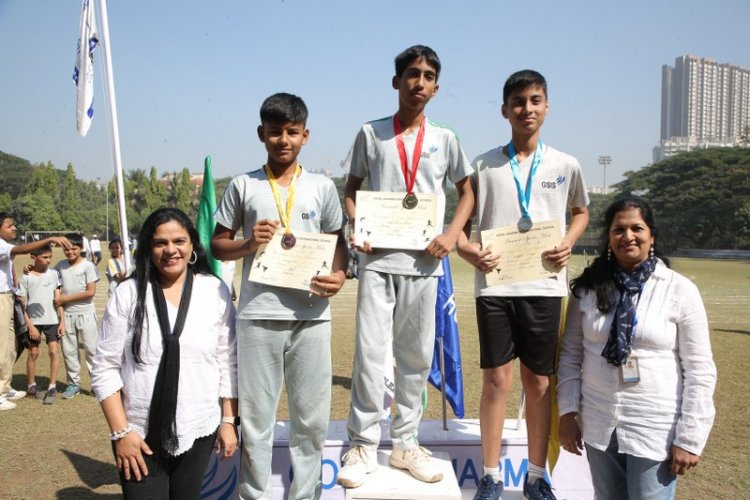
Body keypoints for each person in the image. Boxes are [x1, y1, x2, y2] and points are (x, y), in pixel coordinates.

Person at [337, 45, 475, 488]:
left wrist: (451, 235)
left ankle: (405, 442)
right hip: (377, 261)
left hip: (424, 263)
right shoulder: (371, 133)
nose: (420, 82)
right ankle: (362, 443)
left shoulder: (445, 138)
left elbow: (467, 192)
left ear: (436, 87)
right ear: (396, 81)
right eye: (412, 74)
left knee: (415, 357)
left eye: (428, 76)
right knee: (370, 355)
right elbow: (351, 188)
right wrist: (357, 226)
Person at [456, 70, 589, 500]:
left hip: (544, 287)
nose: (526, 109)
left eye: (534, 101)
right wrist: (468, 251)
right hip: (495, 287)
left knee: (539, 383)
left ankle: (536, 476)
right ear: (504, 110)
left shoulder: (566, 164)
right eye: (518, 102)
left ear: (546, 107)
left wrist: (568, 241)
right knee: (497, 380)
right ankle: (490, 475)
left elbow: (581, 212)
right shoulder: (482, 165)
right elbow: (460, 229)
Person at [211, 92, 347, 499]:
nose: (283, 140)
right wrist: (248, 243)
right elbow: (217, 245)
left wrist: (340, 274)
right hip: (258, 315)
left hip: (312, 316)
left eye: (291, 132)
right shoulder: (243, 185)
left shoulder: (322, 186)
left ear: (305, 135)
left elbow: (337, 241)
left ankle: (306, 495)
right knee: (256, 422)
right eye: (274, 132)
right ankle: (254, 495)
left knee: (311, 422)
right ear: (261, 134)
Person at [557, 197, 716, 500]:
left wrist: (690, 437)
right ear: (609, 237)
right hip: (599, 422)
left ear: (651, 236)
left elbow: (700, 369)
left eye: (637, 228)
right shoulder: (588, 289)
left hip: (654, 425)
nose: (627, 236)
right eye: (618, 229)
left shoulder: (679, 289)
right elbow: (570, 357)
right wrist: (567, 413)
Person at [91, 207, 238, 499]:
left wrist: (228, 421)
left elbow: (228, 361)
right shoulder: (128, 293)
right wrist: (121, 433)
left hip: (199, 427)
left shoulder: (214, 291)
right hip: (138, 434)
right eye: (160, 243)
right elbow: (105, 367)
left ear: (193, 245)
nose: (171, 250)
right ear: (148, 247)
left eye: (179, 241)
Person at [0, 213, 71, 411]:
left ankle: (5, 387)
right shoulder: (3, 247)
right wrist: (49, 239)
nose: (14, 228)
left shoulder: (51, 274)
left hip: (11, 298)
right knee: (4, 348)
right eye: (9, 225)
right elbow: (22, 249)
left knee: (11, 347)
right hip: (4, 300)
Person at [16, 245, 64, 404]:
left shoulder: (54, 274)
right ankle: (31, 386)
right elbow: (22, 305)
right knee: (33, 353)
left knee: (54, 351)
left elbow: (58, 300)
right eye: (44, 257)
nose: (48, 260)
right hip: (34, 323)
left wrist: (62, 321)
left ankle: (52, 387)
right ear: (33, 257)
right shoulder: (26, 277)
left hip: (52, 321)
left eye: (50, 257)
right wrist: (30, 326)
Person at [55, 232, 100, 399]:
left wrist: (64, 299)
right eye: (66, 249)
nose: (70, 252)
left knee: (92, 350)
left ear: (81, 248)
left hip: (86, 313)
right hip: (67, 315)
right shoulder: (60, 266)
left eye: (74, 248)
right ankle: (73, 384)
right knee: (69, 351)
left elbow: (90, 292)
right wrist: (29, 269)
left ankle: (97, 385)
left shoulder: (88, 266)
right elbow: (54, 285)